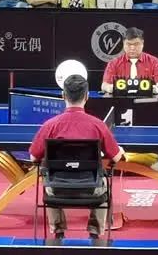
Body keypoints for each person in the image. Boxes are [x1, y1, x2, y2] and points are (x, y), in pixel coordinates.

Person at [29, 74, 124, 240]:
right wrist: (120, 151)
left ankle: (58, 231)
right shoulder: (98, 125)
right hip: (92, 189)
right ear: (87, 96)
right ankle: (95, 231)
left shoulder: (50, 126)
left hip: (56, 189)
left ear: (63, 96)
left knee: (47, 178)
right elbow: (116, 158)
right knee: (104, 181)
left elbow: (33, 158)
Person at [101, 27, 158, 95]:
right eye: (128, 44)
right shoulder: (113, 63)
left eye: (136, 44)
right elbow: (104, 85)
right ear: (123, 44)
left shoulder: (154, 61)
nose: (132, 48)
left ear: (142, 43)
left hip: (147, 98)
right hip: (121, 98)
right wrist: (109, 88)